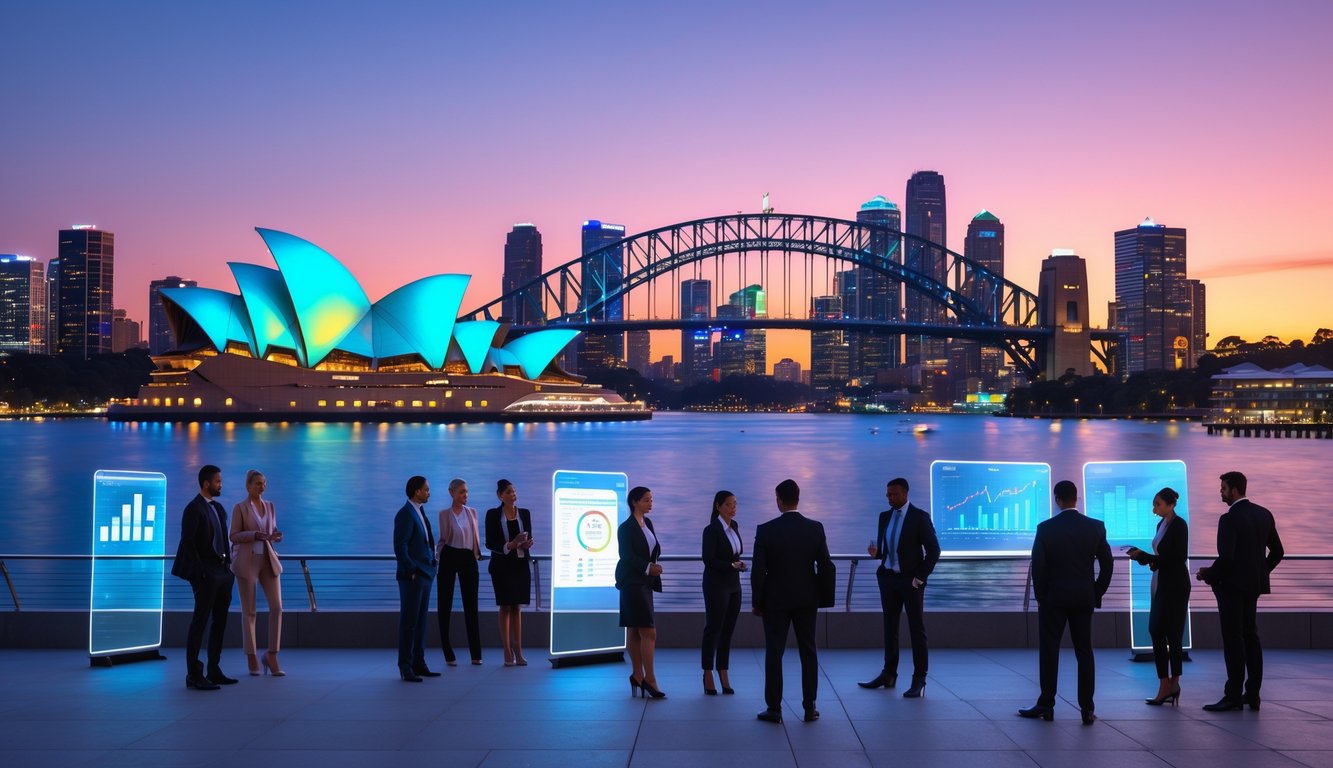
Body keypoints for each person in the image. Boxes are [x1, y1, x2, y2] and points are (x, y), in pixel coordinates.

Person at [1019, 479, 1113, 725]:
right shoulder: (1095, 527)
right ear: (1076, 497)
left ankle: (1046, 705)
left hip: (1053, 600)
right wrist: (1096, 591)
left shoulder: (1045, 528)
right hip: (1083, 598)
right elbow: (1107, 563)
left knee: (1049, 651)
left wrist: (1041, 597)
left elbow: (1038, 567)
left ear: (1057, 499)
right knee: (1085, 653)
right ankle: (1087, 710)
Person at [1197, 471, 1284, 712]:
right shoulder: (1264, 514)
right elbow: (1278, 552)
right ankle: (1253, 694)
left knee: (1233, 640)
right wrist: (1260, 573)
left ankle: (1233, 695)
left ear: (1234, 490)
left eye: (1223, 488)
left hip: (1231, 588)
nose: (1220, 492)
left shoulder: (1229, 519)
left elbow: (1226, 558)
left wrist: (1208, 574)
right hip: (1253, 587)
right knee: (1251, 637)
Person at [752, 479, 835, 724]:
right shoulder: (815, 528)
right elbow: (826, 566)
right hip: (807, 598)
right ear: (798, 499)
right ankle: (810, 707)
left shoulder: (766, 530)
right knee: (808, 651)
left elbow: (759, 571)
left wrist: (758, 602)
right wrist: (824, 598)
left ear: (779, 500)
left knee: (774, 652)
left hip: (775, 599)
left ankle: (774, 708)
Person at [858, 477, 941, 698]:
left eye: (893, 494)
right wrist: (878, 555)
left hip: (910, 582)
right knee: (890, 629)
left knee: (916, 630)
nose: (889, 498)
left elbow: (934, 551)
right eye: (887, 494)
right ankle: (889, 674)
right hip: (888, 579)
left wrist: (919, 578)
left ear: (905, 493)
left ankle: (919, 679)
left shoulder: (920, 518)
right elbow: (888, 549)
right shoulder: (884, 517)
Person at [171, 464, 236, 690]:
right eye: (218, 481)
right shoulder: (193, 509)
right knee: (200, 621)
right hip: (206, 573)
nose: (221, 484)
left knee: (219, 621)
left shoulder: (218, 508)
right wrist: (202, 572)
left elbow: (223, 538)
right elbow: (188, 543)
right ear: (206, 483)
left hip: (223, 572)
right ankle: (193, 674)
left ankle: (214, 669)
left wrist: (228, 568)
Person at [1125, 487, 1190, 706]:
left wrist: (1145, 557)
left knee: (1171, 633)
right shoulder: (1161, 524)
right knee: (1157, 631)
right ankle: (1166, 684)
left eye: (1158, 504)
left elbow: (1178, 557)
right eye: (1154, 504)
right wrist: (1150, 560)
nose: (1154, 509)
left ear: (1171, 505)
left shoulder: (1179, 525)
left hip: (1175, 584)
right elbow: (1164, 558)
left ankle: (1172, 683)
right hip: (1161, 581)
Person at [229, 469, 285, 677]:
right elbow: (233, 535)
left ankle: (271, 653)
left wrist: (274, 536)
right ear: (248, 486)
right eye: (258, 484)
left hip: (268, 561)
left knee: (277, 608)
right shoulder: (240, 508)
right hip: (248, 561)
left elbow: (272, 531)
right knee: (249, 611)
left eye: (263, 483)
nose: (262, 487)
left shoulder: (270, 506)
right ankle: (251, 656)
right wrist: (254, 534)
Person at [616, 486, 666, 699]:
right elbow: (626, 555)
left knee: (636, 629)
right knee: (648, 631)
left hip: (645, 582)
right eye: (646, 500)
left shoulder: (648, 523)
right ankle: (650, 679)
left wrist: (653, 566)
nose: (650, 503)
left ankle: (638, 675)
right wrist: (647, 566)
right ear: (634, 502)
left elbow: (651, 551)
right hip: (632, 582)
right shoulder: (625, 528)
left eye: (651, 499)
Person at [701, 490, 746, 695]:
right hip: (716, 585)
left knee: (728, 630)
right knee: (714, 628)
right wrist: (731, 565)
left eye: (735, 504)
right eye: (728, 505)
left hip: (734, 585)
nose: (733, 508)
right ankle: (708, 671)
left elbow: (735, 554)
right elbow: (709, 560)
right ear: (718, 506)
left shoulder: (734, 526)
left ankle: (723, 670)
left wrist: (739, 565)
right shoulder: (711, 530)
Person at [394, 475, 439, 682]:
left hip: (426, 574)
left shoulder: (419, 512)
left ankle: (419, 663)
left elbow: (426, 542)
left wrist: (432, 563)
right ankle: (405, 666)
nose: (429, 492)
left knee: (421, 622)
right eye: (426, 489)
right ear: (416, 491)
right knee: (409, 622)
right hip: (413, 577)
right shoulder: (405, 514)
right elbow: (400, 546)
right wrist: (411, 570)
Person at [485, 479, 533, 666]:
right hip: (502, 566)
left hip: (520, 564)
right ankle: (507, 651)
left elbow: (530, 536)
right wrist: (509, 545)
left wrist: (527, 543)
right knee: (505, 607)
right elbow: (490, 542)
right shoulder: (493, 514)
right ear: (500, 496)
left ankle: (519, 651)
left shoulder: (524, 513)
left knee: (517, 608)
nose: (513, 495)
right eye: (509, 492)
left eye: (514, 491)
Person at [437, 478, 483, 666]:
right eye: (462, 492)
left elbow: (474, 539)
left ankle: (476, 654)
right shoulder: (444, 514)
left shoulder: (472, 513)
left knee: (471, 605)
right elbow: (442, 540)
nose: (465, 495)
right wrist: (437, 557)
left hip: (467, 558)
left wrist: (476, 556)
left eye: (466, 492)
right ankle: (448, 653)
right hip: (449, 555)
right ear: (452, 493)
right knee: (444, 604)